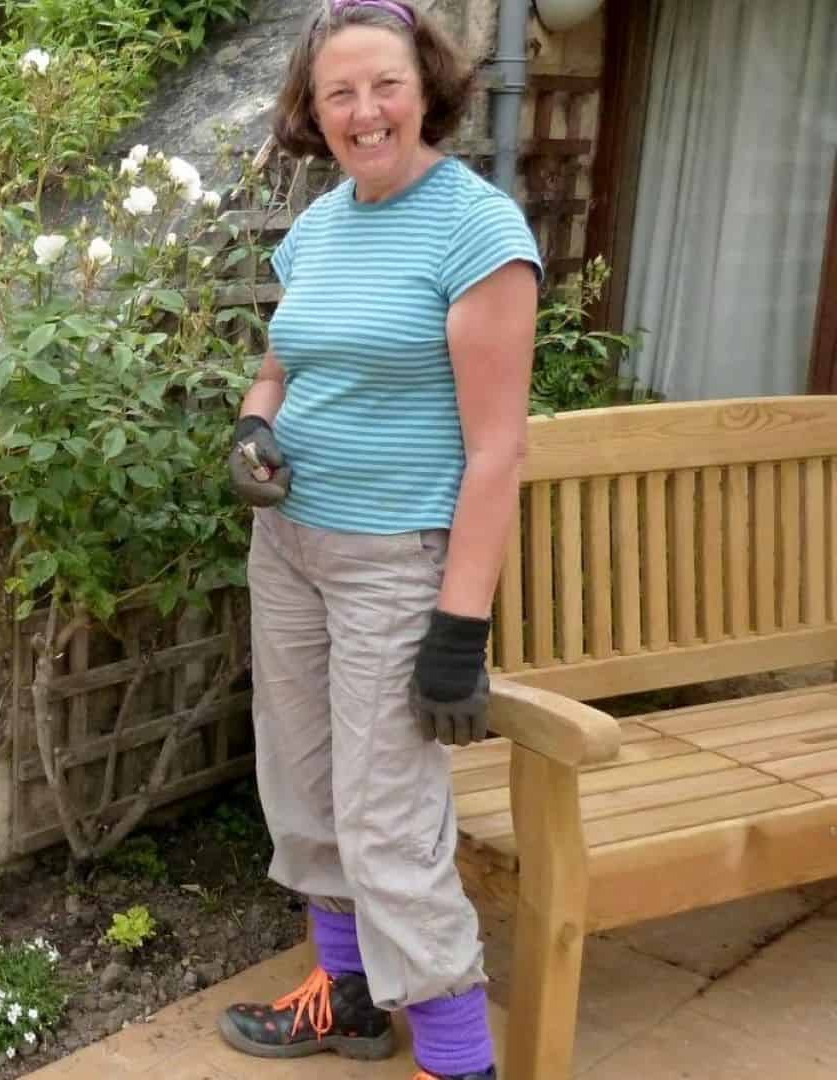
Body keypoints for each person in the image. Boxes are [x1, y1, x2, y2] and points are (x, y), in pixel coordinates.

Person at [215, 2, 540, 1079]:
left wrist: (459, 626)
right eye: (338, 93)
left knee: (388, 819)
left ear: (428, 88)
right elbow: (282, 362)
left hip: (396, 563)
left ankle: (460, 1061)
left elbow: (496, 453)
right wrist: (256, 426)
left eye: (383, 86)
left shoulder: (477, 232)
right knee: (304, 788)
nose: (364, 111)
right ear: (314, 111)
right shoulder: (321, 224)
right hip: (293, 549)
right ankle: (347, 997)